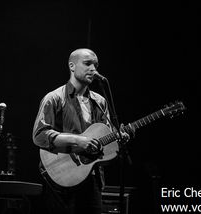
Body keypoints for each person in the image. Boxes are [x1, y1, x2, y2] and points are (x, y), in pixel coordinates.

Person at [32, 48, 133, 214]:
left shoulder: (99, 101)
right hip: (62, 177)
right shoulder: (55, 97)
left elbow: (105, 137)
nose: (93, 69)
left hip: (92, 178)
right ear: (72, 66)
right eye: (87, 64)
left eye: (96, 65)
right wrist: (78, 141)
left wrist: (119, 137)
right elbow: (39, 135)